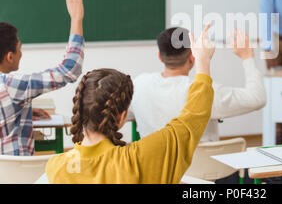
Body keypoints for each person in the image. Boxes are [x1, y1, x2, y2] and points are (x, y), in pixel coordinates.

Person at [46, 24, 215, 184]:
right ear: (122, 116)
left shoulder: (56, 167)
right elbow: (193, 117)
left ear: (80, 111)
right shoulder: (141, 157)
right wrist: (203, 60)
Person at [131, 27, 266, 142]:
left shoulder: (139, 85)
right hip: (204, 172)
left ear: (160, 56)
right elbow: (257, 98)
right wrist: (247, 56)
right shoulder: (204, 91)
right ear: (192, 56)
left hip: (156, 170)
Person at [0, 0, 85, 156]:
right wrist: (76, 19)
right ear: (10, 56)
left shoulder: (14, 95)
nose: (21, 53)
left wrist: (24, 109)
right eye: (19, 48)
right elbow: (69, 70)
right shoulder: (12, 87)